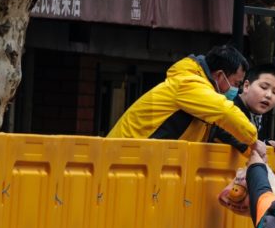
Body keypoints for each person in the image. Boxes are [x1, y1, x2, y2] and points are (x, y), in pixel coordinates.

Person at [108, 45, 261, 154]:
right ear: (220, 75)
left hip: (134, 159)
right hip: (123, 157)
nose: (236, 89)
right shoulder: (188, 84)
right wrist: (253, 141)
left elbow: (220, 131)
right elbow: (225, 112)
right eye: (236, 83)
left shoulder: (199, 92)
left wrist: (251, 149)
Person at [208, 63, 275, 153]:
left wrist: (267, 143)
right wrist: (255, 145)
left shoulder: (260, 114)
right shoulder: (229, 107)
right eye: (264, 87)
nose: (269, 95)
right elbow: (222, 133)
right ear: (246, 86)